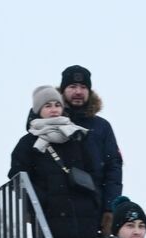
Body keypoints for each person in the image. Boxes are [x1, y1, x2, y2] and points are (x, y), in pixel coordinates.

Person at [9, 86, 100, 238]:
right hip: (50, 218)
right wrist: (41, 202)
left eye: (57, 104)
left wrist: (94, 204)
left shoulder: (79, 137)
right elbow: (18, 178)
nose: (53, 109)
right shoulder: (27, 144)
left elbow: (95, 171)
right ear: (38, 111)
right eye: (48, 105)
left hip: (82, 217)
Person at [57, 65, 124, 223]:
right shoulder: (50, 124)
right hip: (56, 212)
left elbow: (113, 169)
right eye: (72, 86)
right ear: (62, 91)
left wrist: (110, 208)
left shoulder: (102, 127)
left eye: (83, 87)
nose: (78, 91)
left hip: (94, 211)